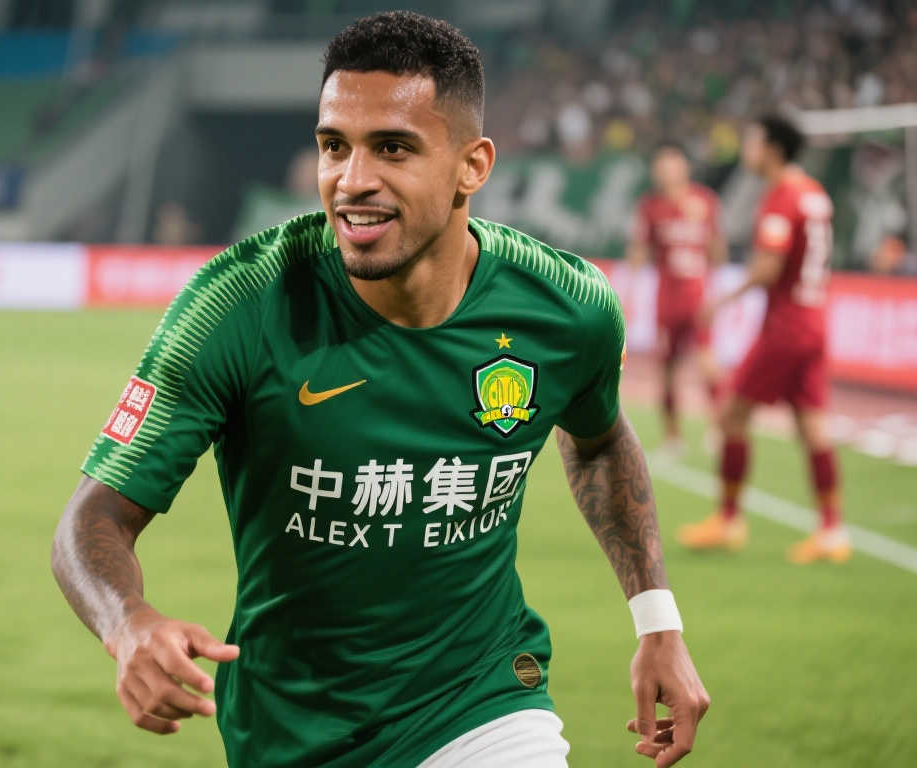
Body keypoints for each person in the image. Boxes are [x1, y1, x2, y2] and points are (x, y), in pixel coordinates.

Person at [52, 12, 709, 767]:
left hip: (485, 704)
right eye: (335, 146)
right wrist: (127, 621)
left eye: (392, 148)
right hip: (290, 730)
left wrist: (658, 621)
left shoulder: (566, 309)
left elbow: (598, 441)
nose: (352, 180)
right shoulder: (237, 306)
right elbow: (92, 518)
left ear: (473, 165)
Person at [678, 115, 850, 564]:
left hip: (786, 327)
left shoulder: (781, 197)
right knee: (813, 426)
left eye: (753, 141)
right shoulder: (815, 193)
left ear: (773, 148)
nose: (747, 150)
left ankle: (728, 520)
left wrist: (721, 301)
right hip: (815, 320)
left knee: (732, 415)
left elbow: (768, 268)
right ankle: (832, 530)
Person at [627, 141, 725, 454]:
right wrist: (629, 291)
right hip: (667, 300)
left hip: (698, 297)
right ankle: (673, 437)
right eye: (661, 167)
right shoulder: (650, 207)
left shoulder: (705, 201)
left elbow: (717, 248)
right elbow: (639, 250)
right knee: (667, 370)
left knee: (707, 361)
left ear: (684, 167)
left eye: (672, 165)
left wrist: (717, 287)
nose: (667, 172)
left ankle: (718, 428)